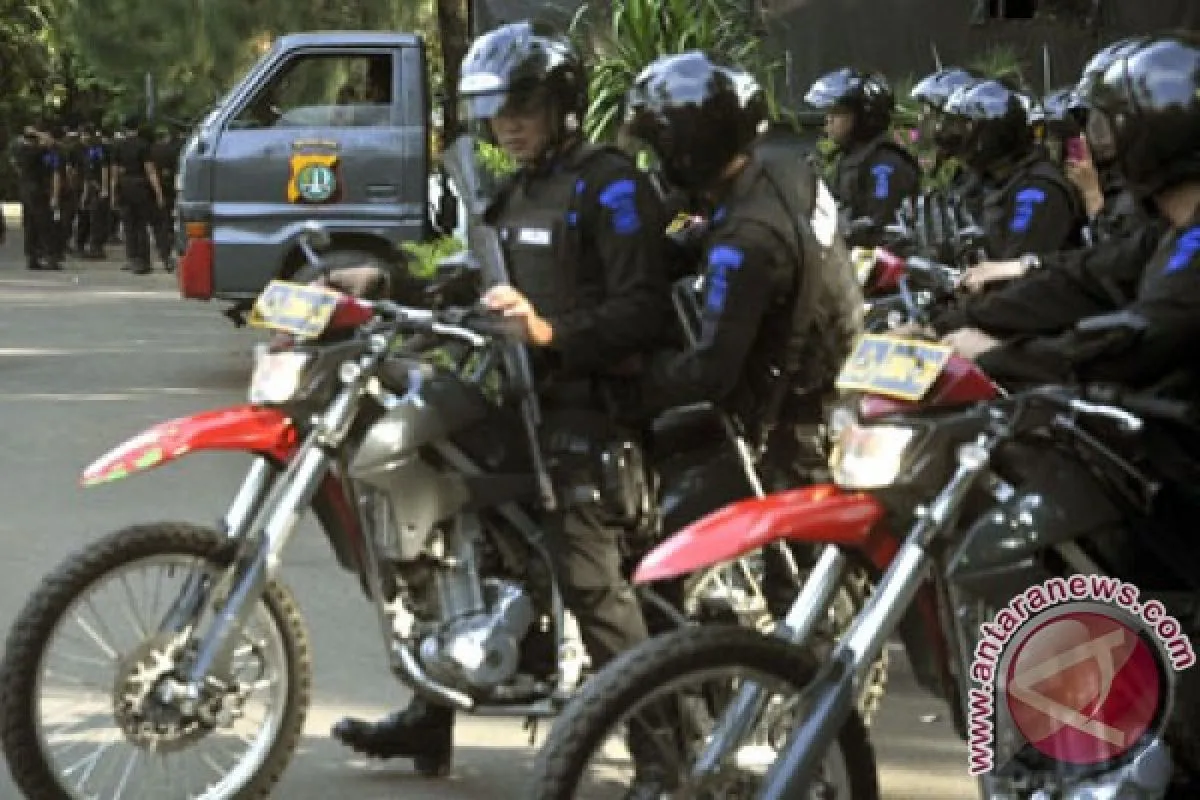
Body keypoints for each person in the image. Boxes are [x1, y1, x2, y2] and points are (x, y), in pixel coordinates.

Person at [327, 20, 669, 774]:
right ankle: (434, 709)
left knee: (588, 577)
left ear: (562, 105)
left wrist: (551, 332)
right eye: (497, 111)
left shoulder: (610, 183)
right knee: (450, 536)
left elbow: (643, 309)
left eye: (524, 108)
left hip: (592, 406)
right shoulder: (519, 188)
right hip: (520, 396)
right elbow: (477, 277)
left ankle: (662, 755)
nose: (508, 125)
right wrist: (386, 282)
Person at [940, 33, 1200, 396]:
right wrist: (954, 322)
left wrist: (997, 355)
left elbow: (1134, 349)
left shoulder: (1188, 244)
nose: (1092, 142)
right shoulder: (1169, 231)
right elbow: (1085, 275)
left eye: (1105, 126)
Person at [938, 79, 1084, 262]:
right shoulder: (988, 181)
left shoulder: (1039, 189)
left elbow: (1019, 264)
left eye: (966, 126)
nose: (956, 136)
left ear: (992, 133)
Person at [804, 67, 920, 245]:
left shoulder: (884, 164)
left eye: (838, 112)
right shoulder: (849, 157)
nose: (828, 119)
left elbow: (880, 226)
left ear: (864, 115)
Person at [111, 118, 165, 274]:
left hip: (124, 186)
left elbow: (114, 172)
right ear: (137, 128)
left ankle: (132, 258)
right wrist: (158, 192)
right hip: (140, 186)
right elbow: (150, 170)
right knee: (141, 225)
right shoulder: (143, 145)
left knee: (128, 225)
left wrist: (113, 192)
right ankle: (143, 261)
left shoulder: (118, 146)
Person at [13, 122, 62, 271]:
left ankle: (32, 257)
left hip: (24, 189)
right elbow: (52, 143)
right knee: (45, 223)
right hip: (37, 190)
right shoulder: (37, 151)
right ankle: (51, 257)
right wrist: (37, 132)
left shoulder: (20, 150)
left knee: (30, 225)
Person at [149, 126, 182, 271]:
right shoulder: (173, 151)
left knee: (156, 222)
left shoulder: (150, 150)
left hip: (151, 190)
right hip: (168, 189)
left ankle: (159, 252)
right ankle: (166, 254)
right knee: (165, 222)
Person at [76, 128, 111, 260]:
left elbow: (103, 169)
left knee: (97, 219)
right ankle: (91, 246)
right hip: (92, 188)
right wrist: (85, 195)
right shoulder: (88, 151)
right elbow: (88, 176)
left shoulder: (96, 150)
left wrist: (104, 188)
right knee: (92, 218)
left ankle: (95, 247)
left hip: (96, 188)